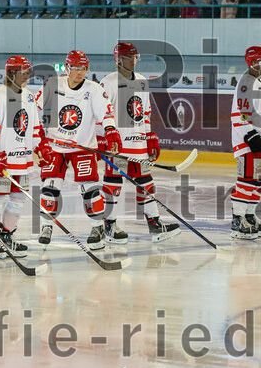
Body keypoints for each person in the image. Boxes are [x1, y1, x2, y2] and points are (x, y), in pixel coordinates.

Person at [34, 50, 121, 249]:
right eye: (75, 68)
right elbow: (34, 108)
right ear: (67, 68)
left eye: (83, 68)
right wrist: (38, 137)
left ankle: (97, 226)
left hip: (83, 147)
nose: (79, 72)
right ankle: (47, 225)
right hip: (55, 146)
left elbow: (105, 114)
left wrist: (111, 132)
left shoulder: (94, 89)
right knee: (50, 186)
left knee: (89, 188)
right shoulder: (53, 85)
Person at [100, 43, 179, 244]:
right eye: (130, 57)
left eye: (136, 57)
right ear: (119, 59)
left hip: (138, 143)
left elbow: (145, 113)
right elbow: (102, 114)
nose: (134, 61)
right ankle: (109, 225)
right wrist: (105, 139)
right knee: (113, 185)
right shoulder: (108, 82)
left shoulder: (142, 81)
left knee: (146, 183)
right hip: (118, 144)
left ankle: (154, 224)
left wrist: (150, 136)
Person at [0, 56, 39, 259]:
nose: (27, 76)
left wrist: (41, 147)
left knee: (18, 199)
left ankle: (6, 235)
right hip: (2, 160)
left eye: (29, 72)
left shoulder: (30, 97)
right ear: (12, 73)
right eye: (24, 72)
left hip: (23, 161)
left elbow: (35, 128)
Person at [230, 46, 261, 239]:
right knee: (247, 182)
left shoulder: (259, 82)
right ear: (255, 62)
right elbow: (238, 115)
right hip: (248, 141)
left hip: (260, 139)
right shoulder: (247, 82)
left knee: (259, 182)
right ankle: (238, 220)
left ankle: (249, 216)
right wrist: (251, 136)